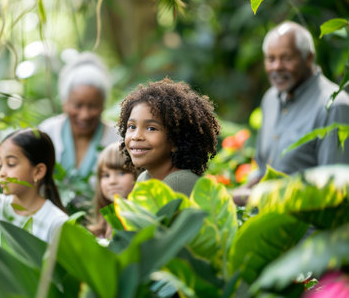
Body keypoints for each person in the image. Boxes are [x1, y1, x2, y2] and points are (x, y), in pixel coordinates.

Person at [234, 21, 349, 205]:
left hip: (308, 230)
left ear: (309, 58)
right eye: (270, 59)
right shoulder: (270, 99)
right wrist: (235, 194)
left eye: (286, 58)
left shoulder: (334, 105)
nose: (277, 67)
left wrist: (260, 197)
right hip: (265, 223)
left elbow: (335, 188)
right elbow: (264, 170)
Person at [117, 78, 221, 197]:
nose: (136, 136)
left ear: (176, 139)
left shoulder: (179, 181)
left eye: (151, 128)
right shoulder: (145, 178)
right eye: (132, 126)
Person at [0, 128, 68, 245]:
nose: (2, 173)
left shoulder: (57, 223)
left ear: (38, 171)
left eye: (11, 164)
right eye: (0, 165)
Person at [39, 51, 120, 180]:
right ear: (65, 103)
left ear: (103, 105)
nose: (84, 115)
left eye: (92, 106)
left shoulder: (117, 138)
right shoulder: (48, 131)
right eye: (77, 105)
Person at [88, 142, 138, 238]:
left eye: (121, 173)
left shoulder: (139, 222)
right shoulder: (99, 230)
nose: (112, 181)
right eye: (106, 175)